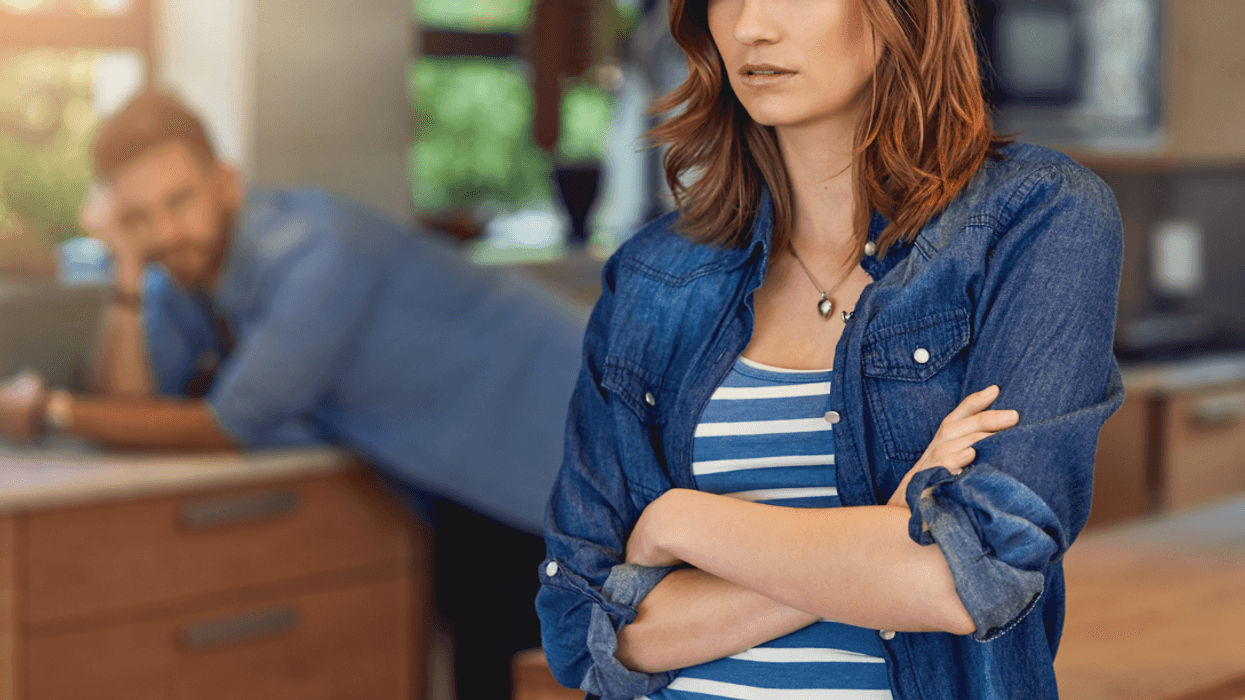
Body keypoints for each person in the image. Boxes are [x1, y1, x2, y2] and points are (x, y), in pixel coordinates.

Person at [535, 0, 1124, 698]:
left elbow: (970, 583)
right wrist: (887, 538)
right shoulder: (654, 277)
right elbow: (586, 634)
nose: (751, 26)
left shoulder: (1034, 218)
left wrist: (683, 524)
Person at [0, 89, 585, 699]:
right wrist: (125, 265)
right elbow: (130, 399)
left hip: (555, 433)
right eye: (138, 218)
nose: (165, 232)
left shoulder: (316, 249)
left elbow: (227, 427)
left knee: (546, 673)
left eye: (179, 201)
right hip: (458, 471)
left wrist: (52, 410)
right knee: (493, 669)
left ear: (225, 182)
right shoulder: (183, 276)